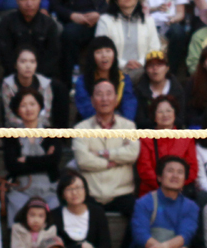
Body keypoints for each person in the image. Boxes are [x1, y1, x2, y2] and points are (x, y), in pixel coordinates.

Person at [72, 78, 140, 221]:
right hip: (91, 193)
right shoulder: (81, 128)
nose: (104, 99)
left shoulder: (128, 126)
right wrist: (110, 162)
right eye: (99, 94)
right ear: (92, 100)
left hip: (122, 192)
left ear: (116, 100)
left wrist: (104, 153)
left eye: (109, 94)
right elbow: (83, 160)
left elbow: (133, 153)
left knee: (139, 215)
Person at [3, 87, 63, 225]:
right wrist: (43, 161)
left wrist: (27, 160)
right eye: (23, 105)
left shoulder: (52, 133)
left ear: (40, 106)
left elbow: (54, 161)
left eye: (32, 104)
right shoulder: (11, 135)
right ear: (17, 110)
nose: (28, 109)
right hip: (21, 191)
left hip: (49, 190)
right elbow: (12, 166)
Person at [95, 0, 162, 76]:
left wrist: (141, 62)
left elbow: (155, 48)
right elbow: (100, 49)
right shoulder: (105, 20)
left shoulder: (148, 20)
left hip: (144, 70)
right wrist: (124, 64)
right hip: (113, 71)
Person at [0, 0, 59, 80]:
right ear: (17, 0)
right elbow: (5, 57)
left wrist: (34, 77)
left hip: (43, 77)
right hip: (14, 77)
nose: (29, 4)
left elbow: (53, 57)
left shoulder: (49, 24)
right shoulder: (6, 23)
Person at [131, 156, 199, 248]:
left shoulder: (190, 207)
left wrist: (164, 246)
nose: (175, 175)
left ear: (184, 180)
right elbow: (141, 234)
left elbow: (185, 235)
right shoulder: (144, 202)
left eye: (180, 172)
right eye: (170, 171)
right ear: (159, 177)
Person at [136, 96, 196, 196]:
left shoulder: (187, 138)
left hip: (180, 191)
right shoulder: (146, 139)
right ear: (153, 116)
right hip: (152, 192)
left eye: (168, 110)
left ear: (175, 113)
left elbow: (192, 169)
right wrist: (165, 188)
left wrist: (176, 186)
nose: (165, 115)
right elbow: (145, 170)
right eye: (160, 112)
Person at [72, 36, 137, 122]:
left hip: (119, 124)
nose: (104, 55)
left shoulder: (123, 78)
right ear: (92, 56)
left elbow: (129, 104)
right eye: (98, 52)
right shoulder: (83, 80)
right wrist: (104, 122)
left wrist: (119, 123)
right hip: (92, 125)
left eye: (108, 51)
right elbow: (85, 106)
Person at [2, 45, 68, 129]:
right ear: (15, 65)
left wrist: (33, 127)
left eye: (32, 62)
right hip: (16, 130)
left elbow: (46, 113)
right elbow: (10, 115)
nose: (28, 66)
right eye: (23, 62)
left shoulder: (44, 84)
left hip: (41, 129)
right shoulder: (8, 84)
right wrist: (27, 127)